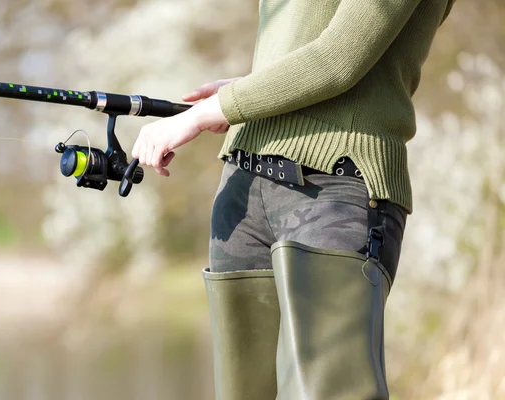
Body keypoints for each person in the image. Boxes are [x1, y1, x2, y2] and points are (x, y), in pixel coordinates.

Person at [132, 0, 455, 398]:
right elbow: (304, 39)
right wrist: (246, 89)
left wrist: (202, 115)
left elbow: (338, 60)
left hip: (336, 189)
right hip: (243, 185)